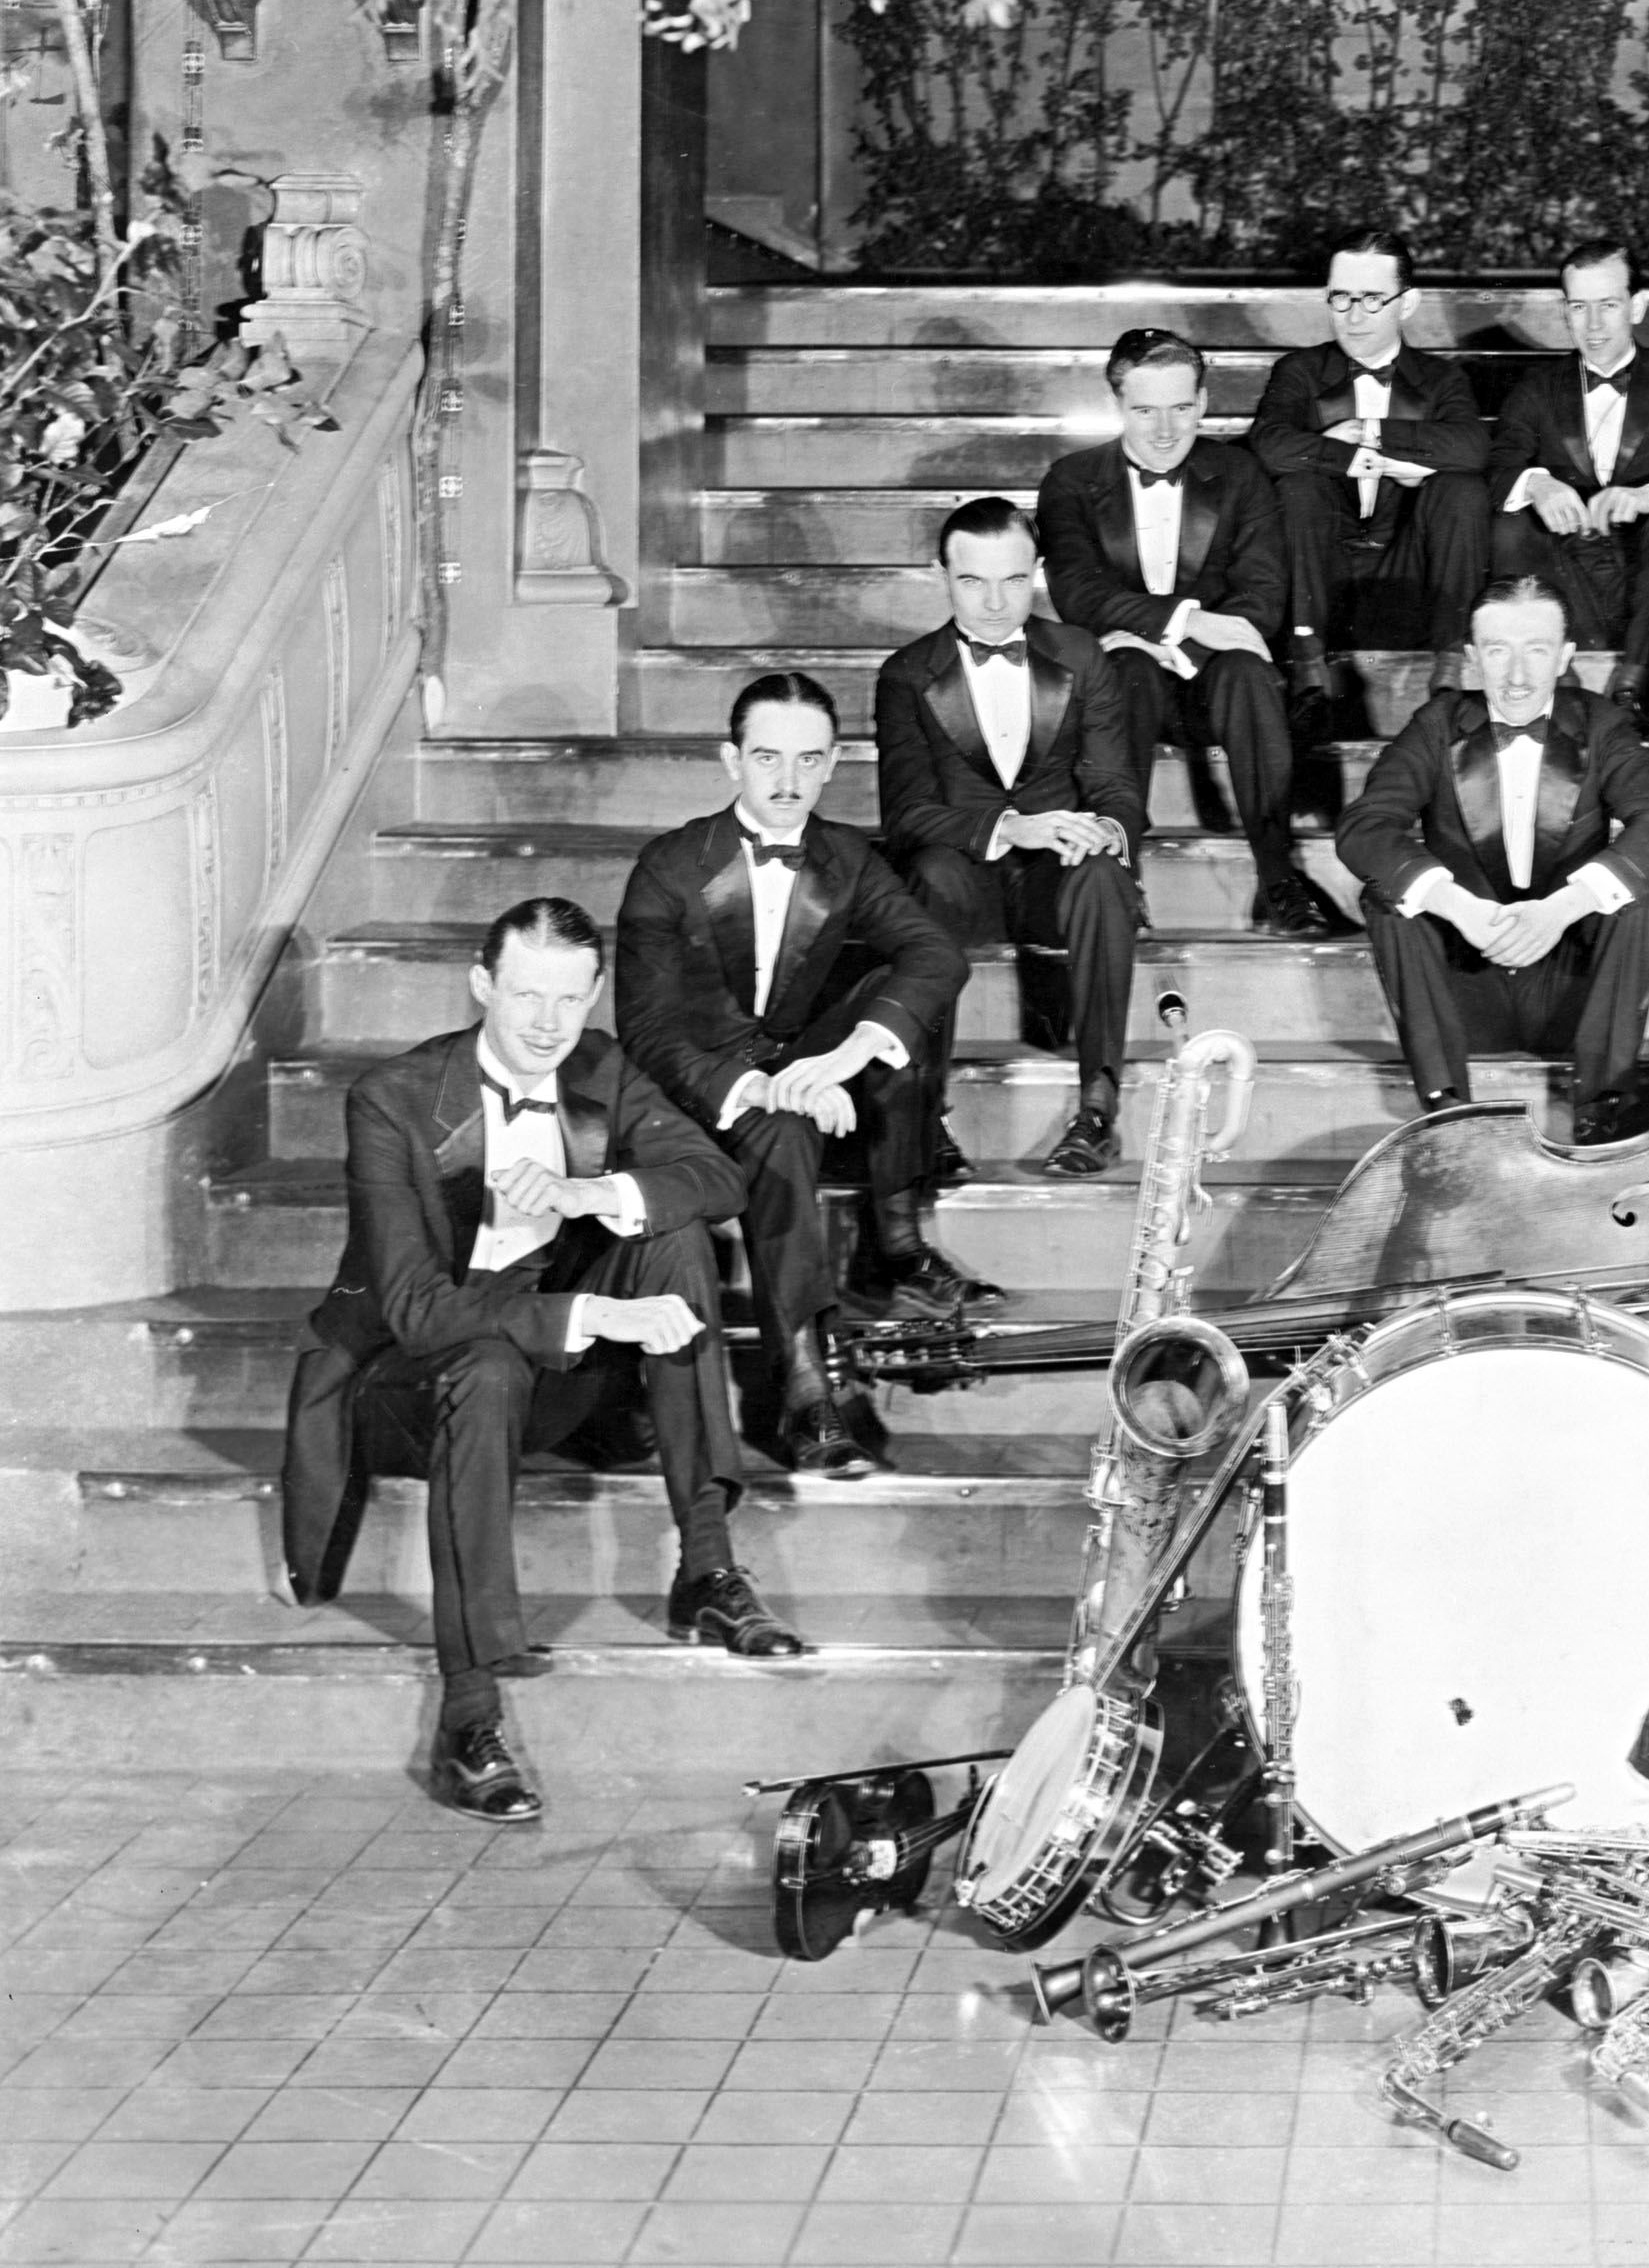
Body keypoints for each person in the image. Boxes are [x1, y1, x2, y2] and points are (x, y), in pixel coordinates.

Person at [278, 898, 804, 1825]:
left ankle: (710, 1566)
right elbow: (414, 1308)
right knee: (483, 1365)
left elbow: (718, 1178)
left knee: (674, 1236)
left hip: (555, 1373)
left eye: (569, 998)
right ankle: (469, 1714)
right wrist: (593, 1309)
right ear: (483, 985)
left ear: (595, 994)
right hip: (410, 1381)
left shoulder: (602, 1068)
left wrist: (589, 1189)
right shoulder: (392, 1100)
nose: (547, 1023)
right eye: (525, 995)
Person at [616, 672, 995, 1478]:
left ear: (831, 766)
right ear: (731, 761)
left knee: (903, 1000)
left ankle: (891, 1238)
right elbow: (646, 1029)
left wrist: (843, 1057)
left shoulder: (846, 857)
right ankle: (803, 1382)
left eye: (807, 760)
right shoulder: (671, 862)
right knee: (783, 1129)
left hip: (794, 1064)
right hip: (696, 1084)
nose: (787, 782)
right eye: (766, 758)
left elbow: (935, 954)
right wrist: (759, 1087)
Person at [1335, 574, 1649, 1141]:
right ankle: (1447, 1116)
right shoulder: (1437, 724)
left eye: (1537, 650)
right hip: (1466, 986)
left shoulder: (1601, 724)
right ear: (1473, 659)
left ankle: (1603, 1111)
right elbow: (1364, 829)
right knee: (1387, 893)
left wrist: (1563, 908)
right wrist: (1458, 907)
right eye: (1499, 651)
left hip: (1572, 996)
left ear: (1565, 657)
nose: (1519, 675)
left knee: (1643, 892)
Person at [1037, 328, 1347, 938]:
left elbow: (1260, 601)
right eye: (1144, 410)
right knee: (1125, 671)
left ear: (1204, 403)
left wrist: (1160, 633)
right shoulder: (1071, 479)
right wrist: (1192, 620)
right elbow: (1078, 593)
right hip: (1122, 686)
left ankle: (1278, 878)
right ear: (1116, 405)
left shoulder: (1240, 475)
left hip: (1215, 684)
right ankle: (1118, 876)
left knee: (1250, 673)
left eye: (1181, 408)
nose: (1163, 429)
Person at [875, 498, 1145, 1179]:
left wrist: (1104, 830)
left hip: (1058, 878)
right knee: (929, 877)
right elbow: (906, 813)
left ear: (1039, 572)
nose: (996, 603)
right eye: (973, 582)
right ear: (941, 574)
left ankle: (1098, 1111)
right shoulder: (906, 674)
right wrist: (1007, 828)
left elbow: (1114, 785)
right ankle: (923, 1117)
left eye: (1014, 580)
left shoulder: (1081, 656)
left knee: (1107, 873)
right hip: (964, 871)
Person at [1487, 239, 1649, 722]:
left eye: (1608, 306)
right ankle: (1555, 681)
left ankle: (1634, 682)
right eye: (1579, 307)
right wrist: (1536, 483)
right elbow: (1496, 468)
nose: (1593, 325)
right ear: (1565, 310)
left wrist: (1648, 495)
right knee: (1509, 527)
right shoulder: (1536, 388)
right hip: (1564, 575)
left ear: (1636, 307)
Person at [1248, 227, 1492, 696]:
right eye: (1341, 297)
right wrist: (1349, 458)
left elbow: (1470, 448)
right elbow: (1270, 444)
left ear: (1408, 302)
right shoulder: (1300, 371)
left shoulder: (1441, 379)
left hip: (1411, 573)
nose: (1354, 316)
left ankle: (1449, 667)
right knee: (1298, 487)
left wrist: (1366, 433)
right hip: (1319, 569)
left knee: (1462, 490)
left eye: (1373, 299)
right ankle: (1308, 669)